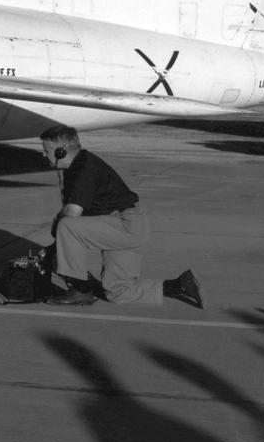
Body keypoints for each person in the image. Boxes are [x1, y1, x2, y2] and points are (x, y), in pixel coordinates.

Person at [39, 125, 203, 309]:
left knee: (66, 226)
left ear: (63, 149)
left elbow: (72, 215)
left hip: (125, 225)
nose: (44, 155)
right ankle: (178, 285)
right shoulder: (77, 166)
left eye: (47, 150)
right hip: (124, 226)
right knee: (117, 292)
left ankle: (80, 290)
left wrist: (56, 241)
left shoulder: (83, 168)